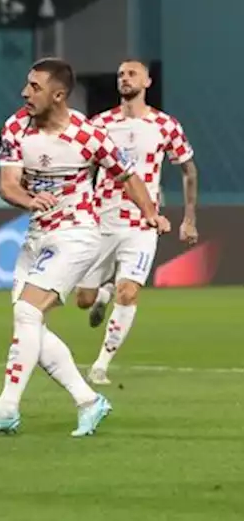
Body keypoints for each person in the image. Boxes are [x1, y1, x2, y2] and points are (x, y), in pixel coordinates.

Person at [0, 59, 169, 438]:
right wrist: (28, 200)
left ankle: (6, 408)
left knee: (26, 313)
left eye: (34, 87)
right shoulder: (16, 127)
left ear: (58, 95)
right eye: (26, 85)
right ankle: (89, 401)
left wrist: (151, 213)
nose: (25, 93)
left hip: (77, 234)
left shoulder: (89, 136)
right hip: (37, 236)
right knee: (30, 326)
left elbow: (127, 176)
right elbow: (8, 185)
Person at [73, 60, 197, 385]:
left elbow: (188, 170)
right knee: (83, 300)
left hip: (142, 223)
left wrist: (189, 219)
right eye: (120, 75)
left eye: (132, 74)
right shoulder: (99, 125)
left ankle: (101, 364)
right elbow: (81, 168)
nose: (125, 79)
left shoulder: (165, 125)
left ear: (147, 81)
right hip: (100, 221)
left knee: (129, 294)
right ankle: (103, 292)